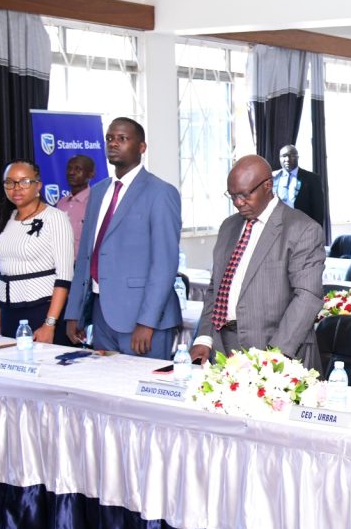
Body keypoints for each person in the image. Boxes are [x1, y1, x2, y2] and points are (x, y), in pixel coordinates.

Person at [191, 156, 325, 368]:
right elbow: (215, 288)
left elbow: (308, 297)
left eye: (244, 195)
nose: (237, 203)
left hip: (275, 350)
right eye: (232, 196)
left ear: (267, 186)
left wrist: (276, 355)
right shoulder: (229, 227)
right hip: (223, 348)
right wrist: (204, 338)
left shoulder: (302, 229)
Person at [65, 117, 181, 359]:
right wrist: (74, 311)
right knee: (106, 392)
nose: (113, 143)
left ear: (141, 147)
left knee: (143, 391)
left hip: (143, 320)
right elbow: (86, 256)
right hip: (101, 315)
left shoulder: (161, 193)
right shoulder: (98, 192)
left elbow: (164, 264)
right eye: (109, 138)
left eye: (122, 138)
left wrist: (147, 322)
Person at [0, 160, 74, 345]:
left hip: (43, 310)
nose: (17, 188)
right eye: (10, 182)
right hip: (9, 311)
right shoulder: (9, 217)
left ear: (38, 185)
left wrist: (49, 324)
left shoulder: (55, 218)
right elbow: (3, 270)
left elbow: (64, 276)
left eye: (24, 181)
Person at [272, 145, 326, 229]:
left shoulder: (312, 179)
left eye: (292, 156)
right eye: (284, 156)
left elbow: (318, 211)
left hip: (302, 228)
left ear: (297, 157)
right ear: (279, 158)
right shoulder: (273, 178)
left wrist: (316, 232)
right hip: (278, 229)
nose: (287, 159)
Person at [55, 154, 94, 257]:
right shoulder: (61, 203)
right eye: (69, 168)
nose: (71, 172)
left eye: (78, 169)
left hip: (85, 267)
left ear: (91, 174)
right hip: (60, 265)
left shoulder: (96, 202)